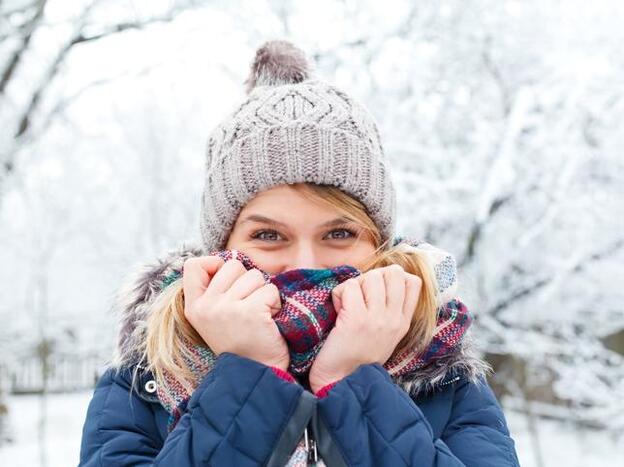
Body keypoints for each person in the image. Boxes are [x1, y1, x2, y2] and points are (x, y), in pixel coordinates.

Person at [78, 40, 521, 466]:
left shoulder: (442, 376)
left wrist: (354, 380)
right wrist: (251, 375)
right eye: (269, 236)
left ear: (379, 246)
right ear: (222, 250)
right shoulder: (144, 383)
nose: (306, 265)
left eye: (339, 232)